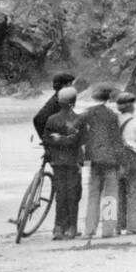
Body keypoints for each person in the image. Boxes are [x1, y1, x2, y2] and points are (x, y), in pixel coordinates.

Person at [80, 86, 123, 239]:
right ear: (108, 99)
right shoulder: (113, 115)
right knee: (110, 195)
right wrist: (120, 160)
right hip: (111, 159)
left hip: (94, 159)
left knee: (93, 195)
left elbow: (75, 126)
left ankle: (89, 230)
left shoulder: (88, 113)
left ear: (94, 97)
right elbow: (117, 140)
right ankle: (107, 230)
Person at [45, 86, 83, 239]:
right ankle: (72, 228)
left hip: (56, 162)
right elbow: (77, 141)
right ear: (73, 102)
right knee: (73, 194)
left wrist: (57, 140)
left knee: (60, 194)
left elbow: (46, 139)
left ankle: (58, 227)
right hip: (73, 162)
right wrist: (65, 140)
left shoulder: (51, 119)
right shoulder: (78, 120)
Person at [115, 91, 136, 235]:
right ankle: (133, 227)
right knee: (134, 193)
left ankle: (119, 225)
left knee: (119, 192)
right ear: (131, 106)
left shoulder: (114, 121)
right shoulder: (134, 122)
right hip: (131, 157)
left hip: (117, 159)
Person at [32, 72, 75, 140]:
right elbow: (37, 119)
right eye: (70, 84)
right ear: (64, 86)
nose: (72, 87)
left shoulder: (59, 99)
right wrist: (47, 139)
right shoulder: (58, 101)